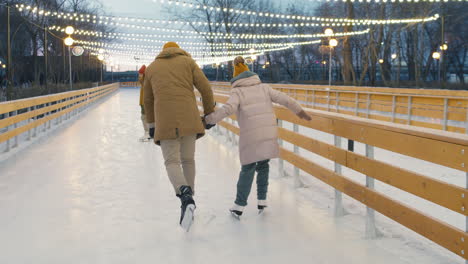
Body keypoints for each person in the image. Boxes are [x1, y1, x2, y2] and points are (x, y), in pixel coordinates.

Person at [205, 56, 312, 218]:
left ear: (236, 77)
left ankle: (239, 206)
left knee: (248, 167)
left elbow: (228, 108)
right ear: (250, 74)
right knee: (263, 165)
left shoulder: (237, 91)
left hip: (251, 134)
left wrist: (209, 120)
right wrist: (299, 111)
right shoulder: (264, 87)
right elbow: (284, 99)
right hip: (268, 132)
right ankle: (262, 200)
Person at [143, 42, 215, 231]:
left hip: (165, 120)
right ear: (178, 49)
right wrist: (209, 114)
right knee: (188, 159)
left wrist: (151, 125)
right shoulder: (188, 62)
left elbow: (147, 100)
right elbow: (206, 88)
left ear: (162, 52)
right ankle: (189, 197)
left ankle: (184, 196)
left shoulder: (152, 68)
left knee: (172, 161)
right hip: (189, 118)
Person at [138, 65, 150, 142]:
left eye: (140, 74)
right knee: (146, 117)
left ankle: (147, 133)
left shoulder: (145, 80)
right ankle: (149, 133)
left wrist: (142, 75)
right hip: (144, 102)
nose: (139, 75)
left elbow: (141, 81)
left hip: (145, 102)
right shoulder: (145, 80)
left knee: (144, 117)